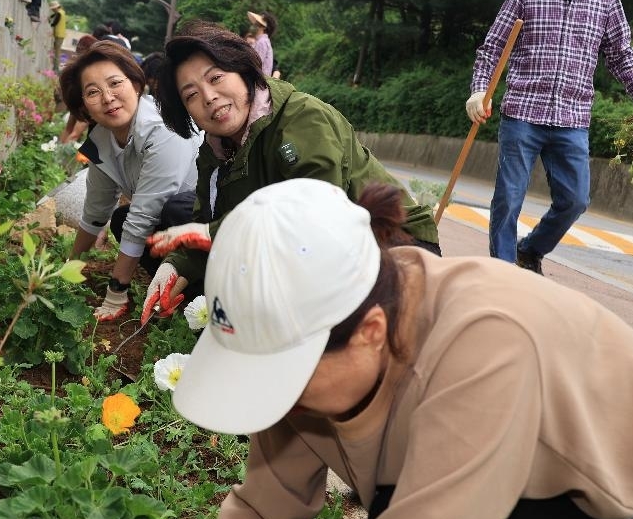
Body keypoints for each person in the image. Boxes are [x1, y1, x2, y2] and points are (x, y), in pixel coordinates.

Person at [171, 177, 633, 519]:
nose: (275, 402)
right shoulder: (317, 325)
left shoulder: (486, 339)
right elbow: (263, 511)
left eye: (285, 378)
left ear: (371, 332)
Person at [142, 21, 439, 323]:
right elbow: (206, 225)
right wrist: (175, 268)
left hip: (392, 248)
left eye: (216, 77)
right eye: (191, 95)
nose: (208, 96)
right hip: (315, 261)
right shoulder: (213, 150)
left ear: (243, 70)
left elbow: (317, 216)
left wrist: (210, 233)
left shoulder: (302, 117)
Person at [467, 0, 633, 275]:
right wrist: (480, 89)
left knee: (575, 200)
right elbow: (494, 46)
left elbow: (621, 55)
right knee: (509, 196)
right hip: (523, 111)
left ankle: (529, 250)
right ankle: (502, 273)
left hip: (572, 118)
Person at [58, 41, 203, 321]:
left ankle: (203, 299)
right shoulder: (102, 140)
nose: (108, 97)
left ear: (136, 84)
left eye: (115, 83)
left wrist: (116, 292)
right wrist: (68, 269)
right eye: (92, 92)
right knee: (121, 220)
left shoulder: (163, 127)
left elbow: (146, 213)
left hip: (210, 219)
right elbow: (96, 211)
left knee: (169, 211)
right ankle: (178, 297)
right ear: (84, 108)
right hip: (176, 224)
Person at [246, 11, 275, 77]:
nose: (254, 25)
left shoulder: (262, 42)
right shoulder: (260, 41)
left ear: (264, 27)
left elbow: (256, 64)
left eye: (257, 24)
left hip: (258, 83)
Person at [48, 1, 67, 71]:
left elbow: (55, 22)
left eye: (53, 9)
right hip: (61, 35)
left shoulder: (59, 13)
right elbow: (54, 15)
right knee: (57, 51)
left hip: (59, 35)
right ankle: (55, 67)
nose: (52, 10)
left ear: (56, 8)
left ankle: (55, 68)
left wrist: (49, 23)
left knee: (57, 52)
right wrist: (50, 17)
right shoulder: (62, 12)